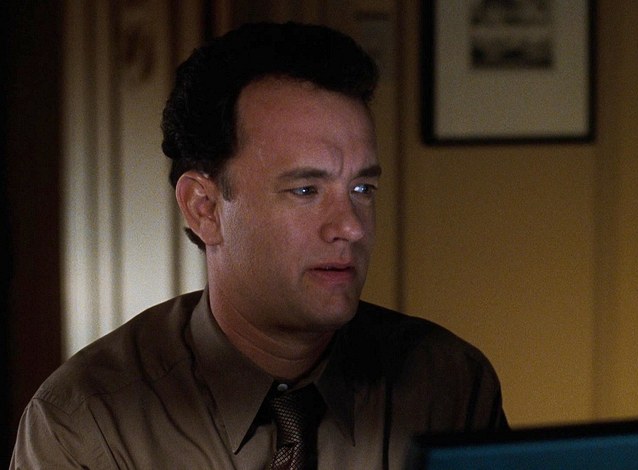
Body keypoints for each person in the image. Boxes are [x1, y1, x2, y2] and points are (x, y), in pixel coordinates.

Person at [11, 22, 507, 469]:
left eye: (362, 188)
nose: (351, 228)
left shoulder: (448, 384)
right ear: (205, 208)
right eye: (306, 190)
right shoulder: (90, 422)